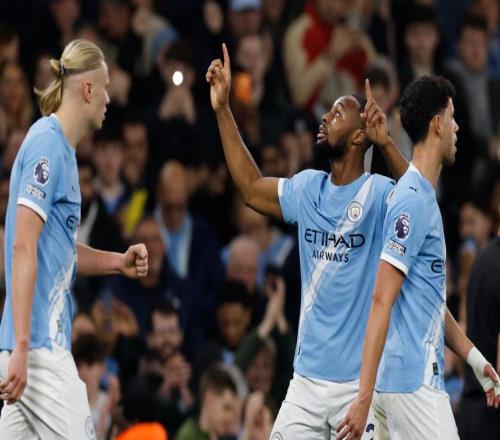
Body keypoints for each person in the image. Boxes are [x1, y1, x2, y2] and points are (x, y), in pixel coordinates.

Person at [206, 44, 408, 438]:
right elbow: (250, 188)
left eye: (337, 114)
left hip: (358, 387)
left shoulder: (380, 194)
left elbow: (420, 206)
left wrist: (386, 143)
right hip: (305, 385)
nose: (325, 117)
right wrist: (223, 109)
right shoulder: (307, 188)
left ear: (359, 136)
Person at [0, 39, 148, 439]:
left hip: (28, 348)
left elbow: (58, 252)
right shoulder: (48, 144)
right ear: (87, 89)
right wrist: (24, 347)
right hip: (40, 350)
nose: (108, 100)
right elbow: (23, 245)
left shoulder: (61, 150)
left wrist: (117, 262)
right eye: (105, 89)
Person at [338, 75, 500, 440]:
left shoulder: (421, 197)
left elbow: (428, 301)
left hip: (399, 383)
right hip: (413, 386)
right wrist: (363, 397)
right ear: (437, 124)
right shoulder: (412, 201)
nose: (457, 127)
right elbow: (381, 298)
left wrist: (474, 358)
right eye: (452, 117)